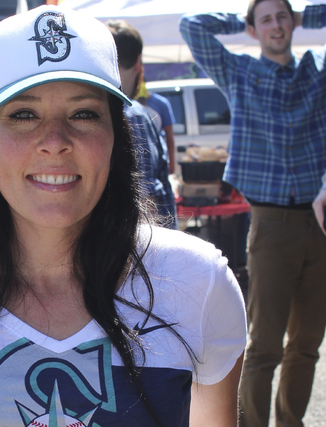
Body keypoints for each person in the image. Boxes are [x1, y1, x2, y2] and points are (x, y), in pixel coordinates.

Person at [0, 7, 247, 426]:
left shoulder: (199, 283)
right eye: (23, 114)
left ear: (117, 136)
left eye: (84, 113)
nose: (54, 142)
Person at [180, 1, 326, 426]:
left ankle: (291, 422)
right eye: (266, 19)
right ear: (254, 28)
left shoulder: (316, 70)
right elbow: (192, 26)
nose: (277, 25)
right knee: (264, 345)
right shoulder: (240, 73)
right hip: (270, 224)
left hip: (318, 223)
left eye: (283, 16)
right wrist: (242, 21)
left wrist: (302, 15)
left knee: (307, 343)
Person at [107, 20, 177, 229]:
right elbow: (147, 201)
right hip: (143, 248)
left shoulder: (113, 112)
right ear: (138, 62)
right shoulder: (133, 115)